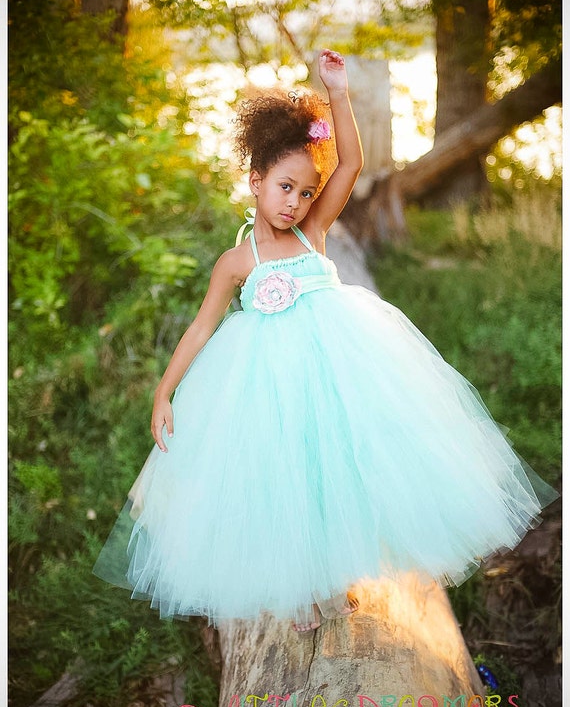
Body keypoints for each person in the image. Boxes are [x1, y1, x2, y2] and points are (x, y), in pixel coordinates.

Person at [93, 49, 559, 635]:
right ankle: (300, 588)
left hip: (338, 369)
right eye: (285, 188)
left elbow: (351, 163)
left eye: (306, 192)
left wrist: (337, 91)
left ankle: (339, 573)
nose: (295, 202)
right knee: (282, 473)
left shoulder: (313, 232)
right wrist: (164, 393)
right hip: (265, 384)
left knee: (338, 464)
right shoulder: (237, 261)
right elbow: (201, 326)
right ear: (257, 181)